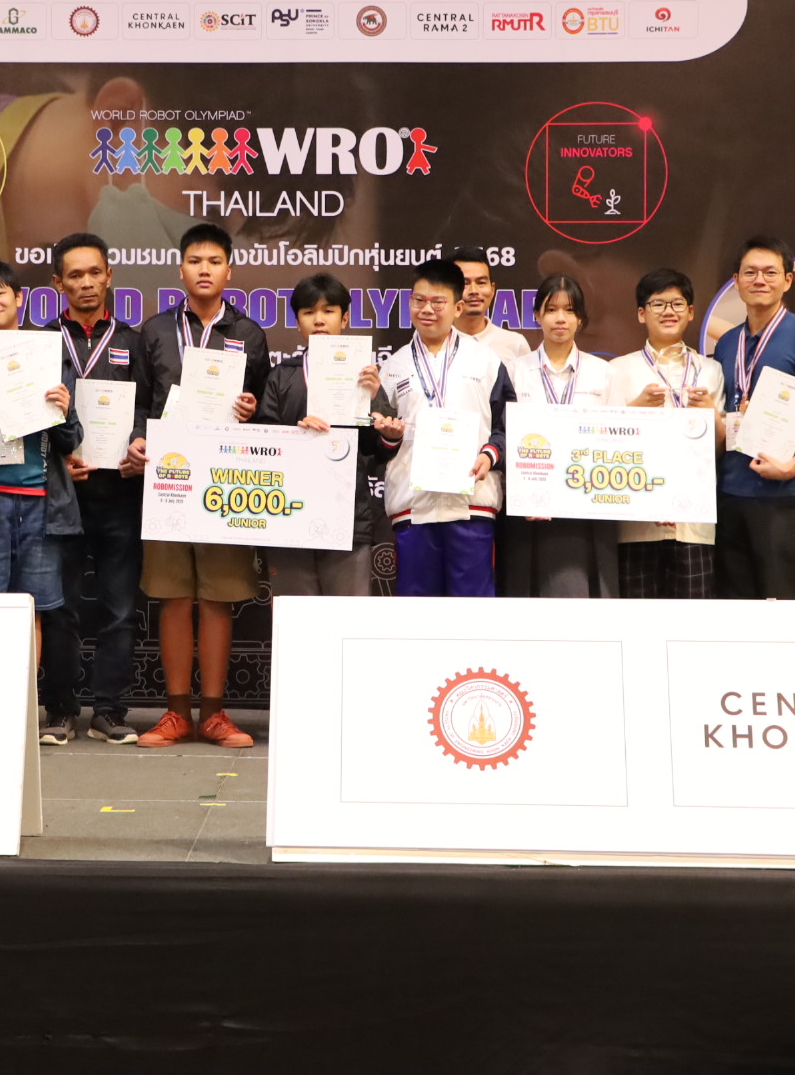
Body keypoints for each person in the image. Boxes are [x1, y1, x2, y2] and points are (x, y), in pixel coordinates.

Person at [133, 222, 270, 748]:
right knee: (172, 594)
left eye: (214, 261)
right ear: (181, 270)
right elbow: (140, 402)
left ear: (229, 270)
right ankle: (175, 713)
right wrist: (137, 438)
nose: (204, 269)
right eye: (195, 261)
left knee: (217, 596)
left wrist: (252, 410)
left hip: (224, 478)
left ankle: (214, 714)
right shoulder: (155, 330)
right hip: (167, 477)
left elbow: (265, 407)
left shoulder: (249, 333)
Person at [37, 232, 148, 746]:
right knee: (59, 607)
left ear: (109, 276)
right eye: (75, 275)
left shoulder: (134, 341)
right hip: (60, 493)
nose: (86, 282)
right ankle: (60, 710)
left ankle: (109, 711)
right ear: (57, 282)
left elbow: (148, 404)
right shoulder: (38, 343)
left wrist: (139, 442)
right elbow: (25, 414)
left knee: (119, 609)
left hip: (120, 492)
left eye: (94, 273)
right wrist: (58, 456)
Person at [0, 257, 83, 652]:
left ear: (19, 297)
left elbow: (71, 438)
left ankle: (23, 695)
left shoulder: (47, 355)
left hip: (42, 504)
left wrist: (63, 411)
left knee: (31, 613)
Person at [715, 237, 795, 600]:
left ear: (787, 280)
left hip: (781, 495)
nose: (760, 280)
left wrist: (794, 465)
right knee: (733, 600)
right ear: (736, 280)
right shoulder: (727, 343)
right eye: (750, 272)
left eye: (770, 272)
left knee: (780, 598)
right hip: (728, 491)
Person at [374, 258, 514, 597]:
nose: (427, 310)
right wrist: (388, 437)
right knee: (418, 611)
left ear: (457, 307)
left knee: (472, 609)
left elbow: (508, 423)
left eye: (438, 302)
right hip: (413, 506)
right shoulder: (392, 368)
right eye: (419, 300)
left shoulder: (486, 361)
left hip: (472, 503)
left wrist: (490, 455)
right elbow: (376, 444)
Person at [258, 273, 390, 597]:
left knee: (345, 618)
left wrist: (377, 403)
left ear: (344, 319)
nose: (319, 320)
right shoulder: (281, 376)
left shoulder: (365, 377)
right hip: (288, 514)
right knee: (295, 618)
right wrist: (296, 436)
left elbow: (381, 448)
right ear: (297, 322)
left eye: (328, 311)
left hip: (348, 519)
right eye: (308, 312)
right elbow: (263, 443)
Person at [608, 269, 725, 598]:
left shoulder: (711, 370)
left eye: (677, 303)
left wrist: (709, 413)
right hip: (636, 523)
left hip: (694, 522)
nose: (668, 311)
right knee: (636, 618)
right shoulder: (618, 370)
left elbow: (720, 448)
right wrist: (636, 408)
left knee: (691, 618)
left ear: (691, 312)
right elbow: (607, 445)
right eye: (658, 304)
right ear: (641, 314)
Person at [504, 275, 618, 598]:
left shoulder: (603, 372)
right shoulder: (514, 371)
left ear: (580, 319)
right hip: (529, 508)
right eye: (551, 309)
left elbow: (618, 441)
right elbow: (504, 435)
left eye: (569, 310)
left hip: (588, 507)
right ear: (537, 315)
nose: (560, 318)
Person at [448, 246, 530, 366]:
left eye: (481, 282)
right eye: (464, 283)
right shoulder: (436, 343)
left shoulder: (515, 344)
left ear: (492, 289)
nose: (474, 291)